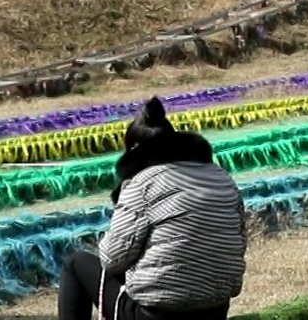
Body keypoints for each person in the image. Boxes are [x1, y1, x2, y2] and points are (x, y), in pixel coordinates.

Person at [58, 97, 246, 320]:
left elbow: (111, 259)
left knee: (76, 264)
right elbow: (240, 239)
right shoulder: (220, 177)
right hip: (215, 310)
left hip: (157, 314)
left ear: (135, 149)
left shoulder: (142, 183)